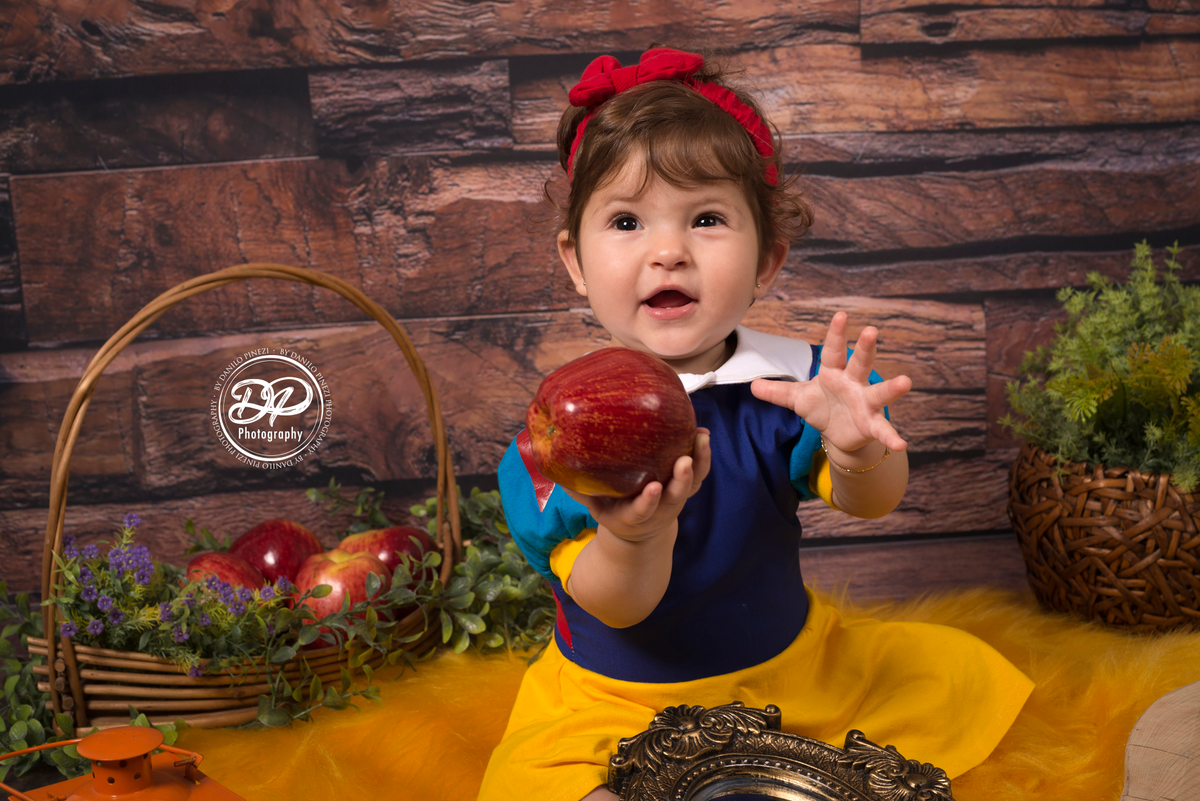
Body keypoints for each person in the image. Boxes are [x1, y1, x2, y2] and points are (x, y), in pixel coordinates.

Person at [478, 47, 1033, 801]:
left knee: (940, 688)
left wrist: (856, 447)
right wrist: (634, 537)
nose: (667, 252)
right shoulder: (558, 438)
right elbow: (617, 605)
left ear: (767, 259)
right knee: (537, 782)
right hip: (614, 700)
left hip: (786, 678)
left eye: (706, 218)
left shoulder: (794, 387)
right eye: (627, 221)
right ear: (576, 261)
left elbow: (871, 501)